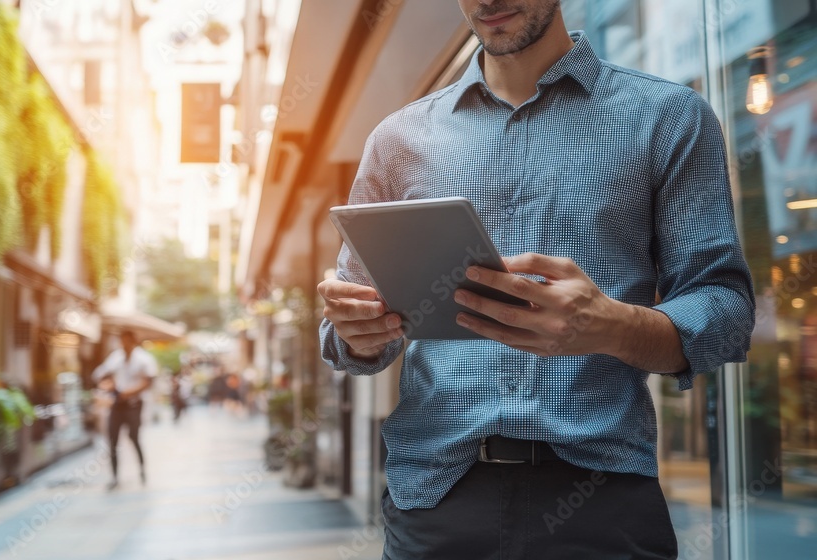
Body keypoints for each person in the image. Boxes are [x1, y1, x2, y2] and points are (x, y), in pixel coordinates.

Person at [317, 1, 756, 558]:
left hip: (603, 496)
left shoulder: (667, 117)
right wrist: (354, 329)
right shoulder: (399, 138)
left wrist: (614, 327)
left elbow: (727, 311)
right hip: (436, 495)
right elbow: (348, 336)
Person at [92, 330, 158, 489]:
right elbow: (99, 374)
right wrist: (108, 385)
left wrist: (129, 392)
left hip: (134, 404)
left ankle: (142, 470)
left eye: (127, 341)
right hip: (117, 404)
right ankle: (115, 477)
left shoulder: (143, 359)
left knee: (133, 437)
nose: (124, 345)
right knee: (112, 439)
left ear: (133, 341)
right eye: (122, 341)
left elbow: (149, 381)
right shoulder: (116, 358)